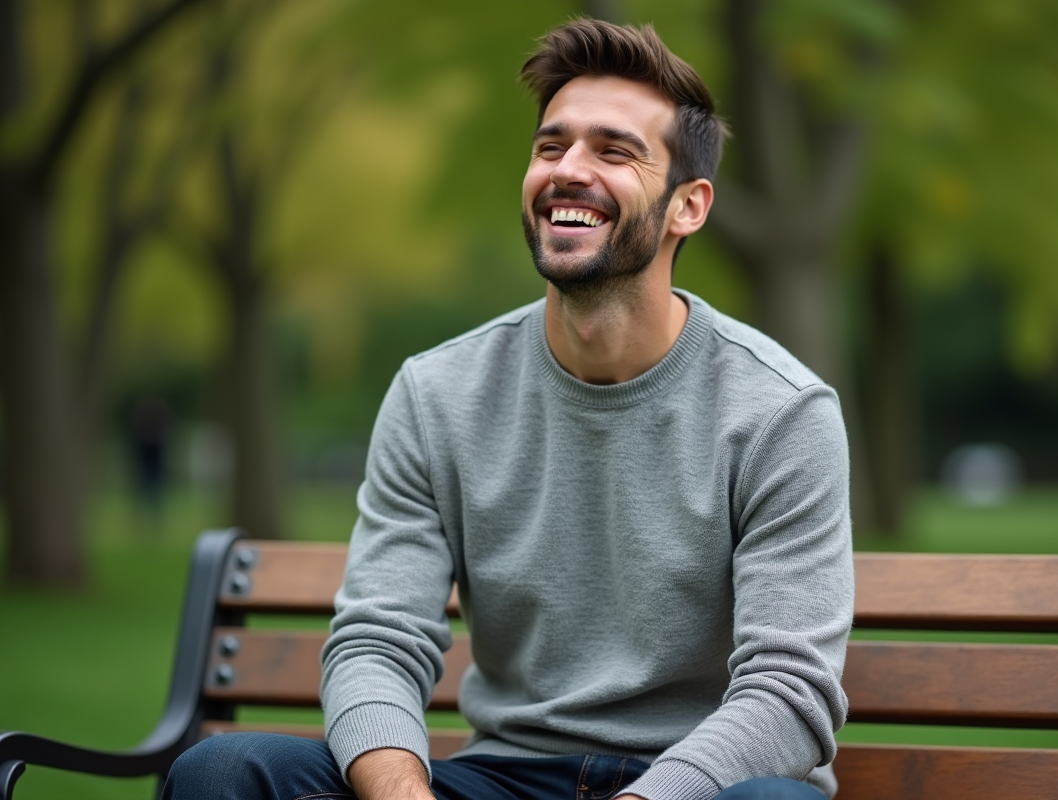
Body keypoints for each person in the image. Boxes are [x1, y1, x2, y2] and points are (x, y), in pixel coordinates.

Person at [163, 18, 853, 800]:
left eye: (614, 151)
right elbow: (377, 642)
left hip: (695, 786)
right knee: (224, 772)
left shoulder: (781, 411)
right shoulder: (437, 394)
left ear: (687, 207)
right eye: (551, 147)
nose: (568, 170)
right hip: (503, 778)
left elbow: (788, 696)